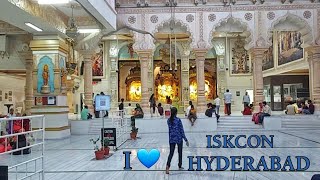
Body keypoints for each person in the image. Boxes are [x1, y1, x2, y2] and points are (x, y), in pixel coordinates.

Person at [166, 107, 189, 174]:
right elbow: (181, 130)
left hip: (172, 138)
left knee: (171, 153)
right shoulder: (178, 120)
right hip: (178, 138)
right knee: (180, 152)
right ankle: (180, 165)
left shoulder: (168, 121)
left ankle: (167, 166)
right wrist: (185, 139)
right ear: (176, 112)